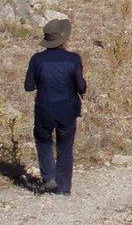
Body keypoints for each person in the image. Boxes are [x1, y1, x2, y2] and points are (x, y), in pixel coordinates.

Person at [24, 19, 87, 195]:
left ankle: (49, 178)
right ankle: (63, 187)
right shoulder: (73, 59)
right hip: (67, 110)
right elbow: (81, 87)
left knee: (43, 140)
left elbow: (29, 86)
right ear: (63, 39)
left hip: (44, 109)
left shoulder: (37, 59)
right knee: (65, 147)